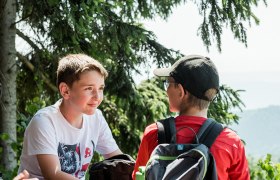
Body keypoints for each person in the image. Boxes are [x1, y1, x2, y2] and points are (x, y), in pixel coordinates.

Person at [132, 55, 250, 180]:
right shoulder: (230, 142)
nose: (166, 90)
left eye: (168, 83)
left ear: (181, 91)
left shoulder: (154, 133)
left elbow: (138, 177)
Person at [18, 54, 122, 179]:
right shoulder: (44, 121)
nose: (97, 97)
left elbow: (118, 159)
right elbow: (53, 175)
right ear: (65, 91)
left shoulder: (96, 118)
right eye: (89, 88)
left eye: (100, 89)